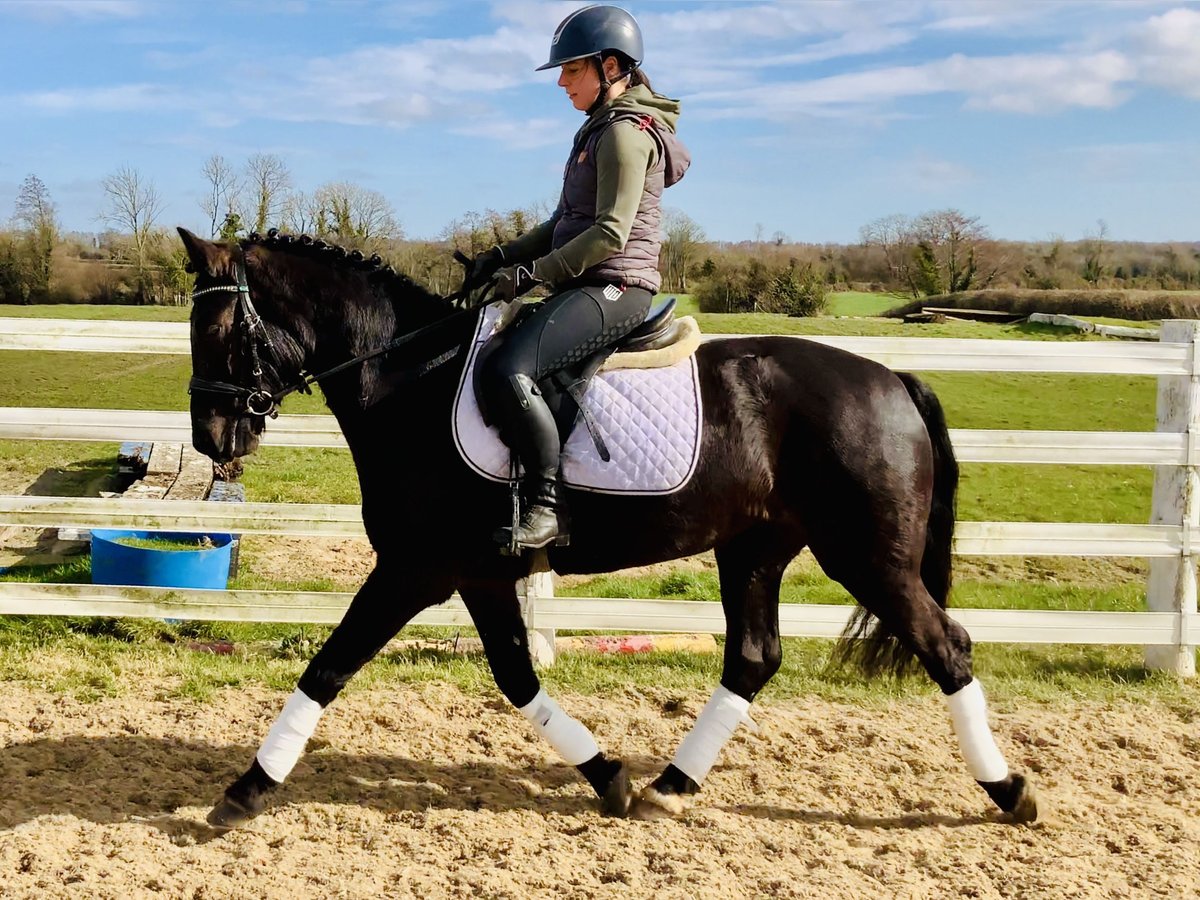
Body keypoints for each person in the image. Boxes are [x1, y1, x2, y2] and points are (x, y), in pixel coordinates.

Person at [466, 4, 690, 552]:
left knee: (510, 366)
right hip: (589, 282)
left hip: (616, 286)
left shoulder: (624, 134)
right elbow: (564, 222)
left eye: (572, 69)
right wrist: (501, 255)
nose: (563, 82)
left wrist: (529, 276)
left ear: (610, 66)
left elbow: (610, 234)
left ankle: (546, 507)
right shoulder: (596, 129)